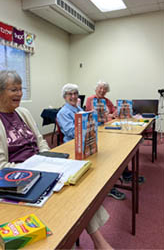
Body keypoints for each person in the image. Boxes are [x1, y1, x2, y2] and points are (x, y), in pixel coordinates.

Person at [57, 83, 113, 250]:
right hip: (72, 149)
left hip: (86, 147)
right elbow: (71, 132)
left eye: (75, 93)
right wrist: (89, 126)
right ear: (64, 97)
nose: (73, 96)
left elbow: (92, 126)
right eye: (69, 94)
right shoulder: (64, 112)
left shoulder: (80, 110)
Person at [0, 70, 49, 176]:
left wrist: (47, 158)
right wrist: (32, 169)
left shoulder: (24, 113)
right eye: (14, 90)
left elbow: (40, 141)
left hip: (39, 168)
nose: (19, 94)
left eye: (20, 89)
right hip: (15, 177)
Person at [86, 81, 145, 195]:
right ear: (96, 89)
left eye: (105, 89)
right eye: (100, 88)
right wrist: (109, 116)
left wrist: (116, 113)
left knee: (123, 145)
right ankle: (108, 183)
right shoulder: (91, 99)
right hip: (98, 130)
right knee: (112, 151)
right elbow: (94, 115)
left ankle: (125, 172)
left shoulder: (107, 101)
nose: (102, 91)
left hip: (110, 127)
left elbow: (114, 112)